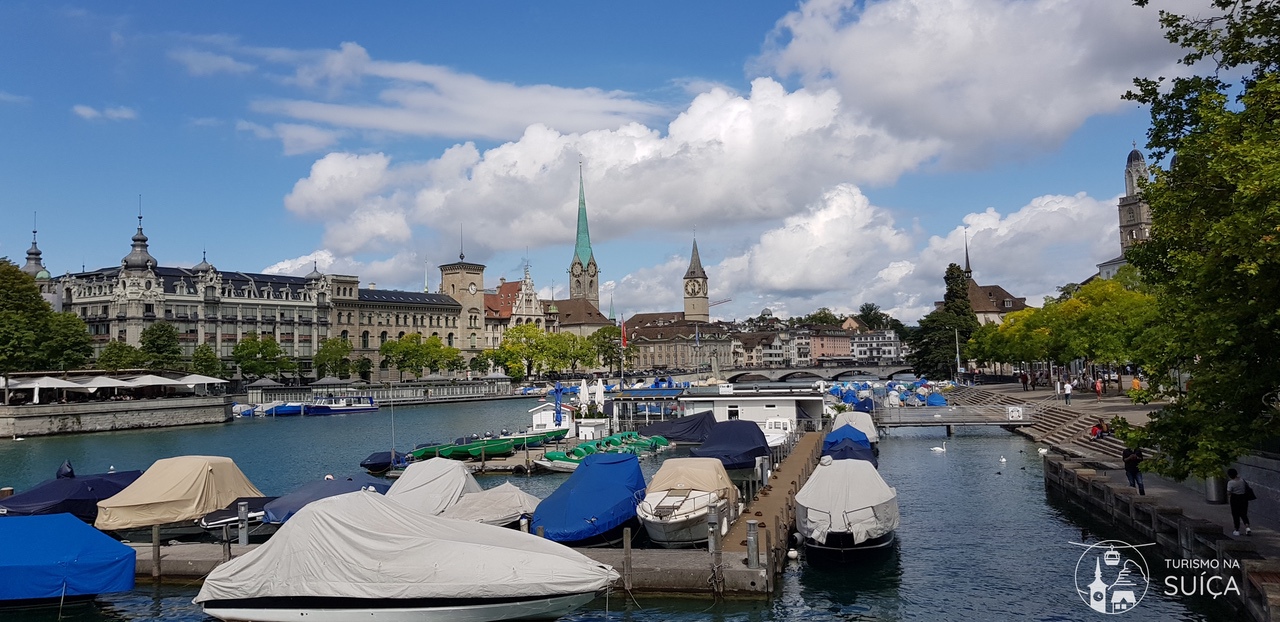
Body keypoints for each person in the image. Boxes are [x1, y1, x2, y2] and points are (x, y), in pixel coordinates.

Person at [1226, 468, 1252, 536]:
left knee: (1235, 515)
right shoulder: (1242, 480)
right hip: (1243, 498)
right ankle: (1247, 528)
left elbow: (1229, 492)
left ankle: (1237, 530)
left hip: (1235, 498)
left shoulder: (1230, 482)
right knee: (1243, 514)